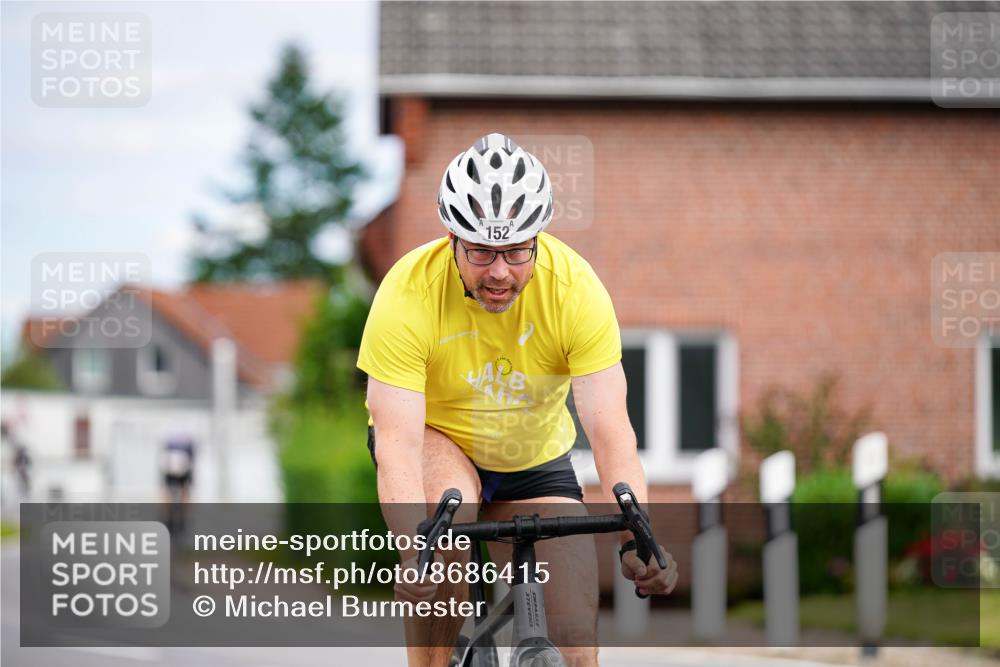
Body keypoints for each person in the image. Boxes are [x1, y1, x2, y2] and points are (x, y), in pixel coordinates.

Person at [357, 133, 678, 667]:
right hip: (440, 441)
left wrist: (636, 536)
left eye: (516, 251)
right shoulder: (407, 292)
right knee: (447, 542)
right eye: (481, 250)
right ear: (453, 241)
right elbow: (397, 441)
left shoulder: (576, 289)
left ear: (538, 239)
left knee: (576, 630)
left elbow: (610, 430)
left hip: (532, 457)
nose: (500, 271)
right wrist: (417, 547)